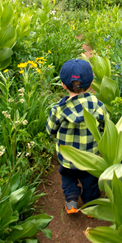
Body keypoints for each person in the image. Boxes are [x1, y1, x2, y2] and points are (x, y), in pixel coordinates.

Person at [46, 59, 107, 214]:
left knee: (67, 177)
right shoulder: (98, 107)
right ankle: (92, 206)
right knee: (90, 181)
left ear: (63, 85)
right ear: (91, 83)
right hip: (89, 158)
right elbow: (107, 129)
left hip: (67, 158)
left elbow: (50, 130)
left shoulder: (59, 110)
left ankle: (72, 201)